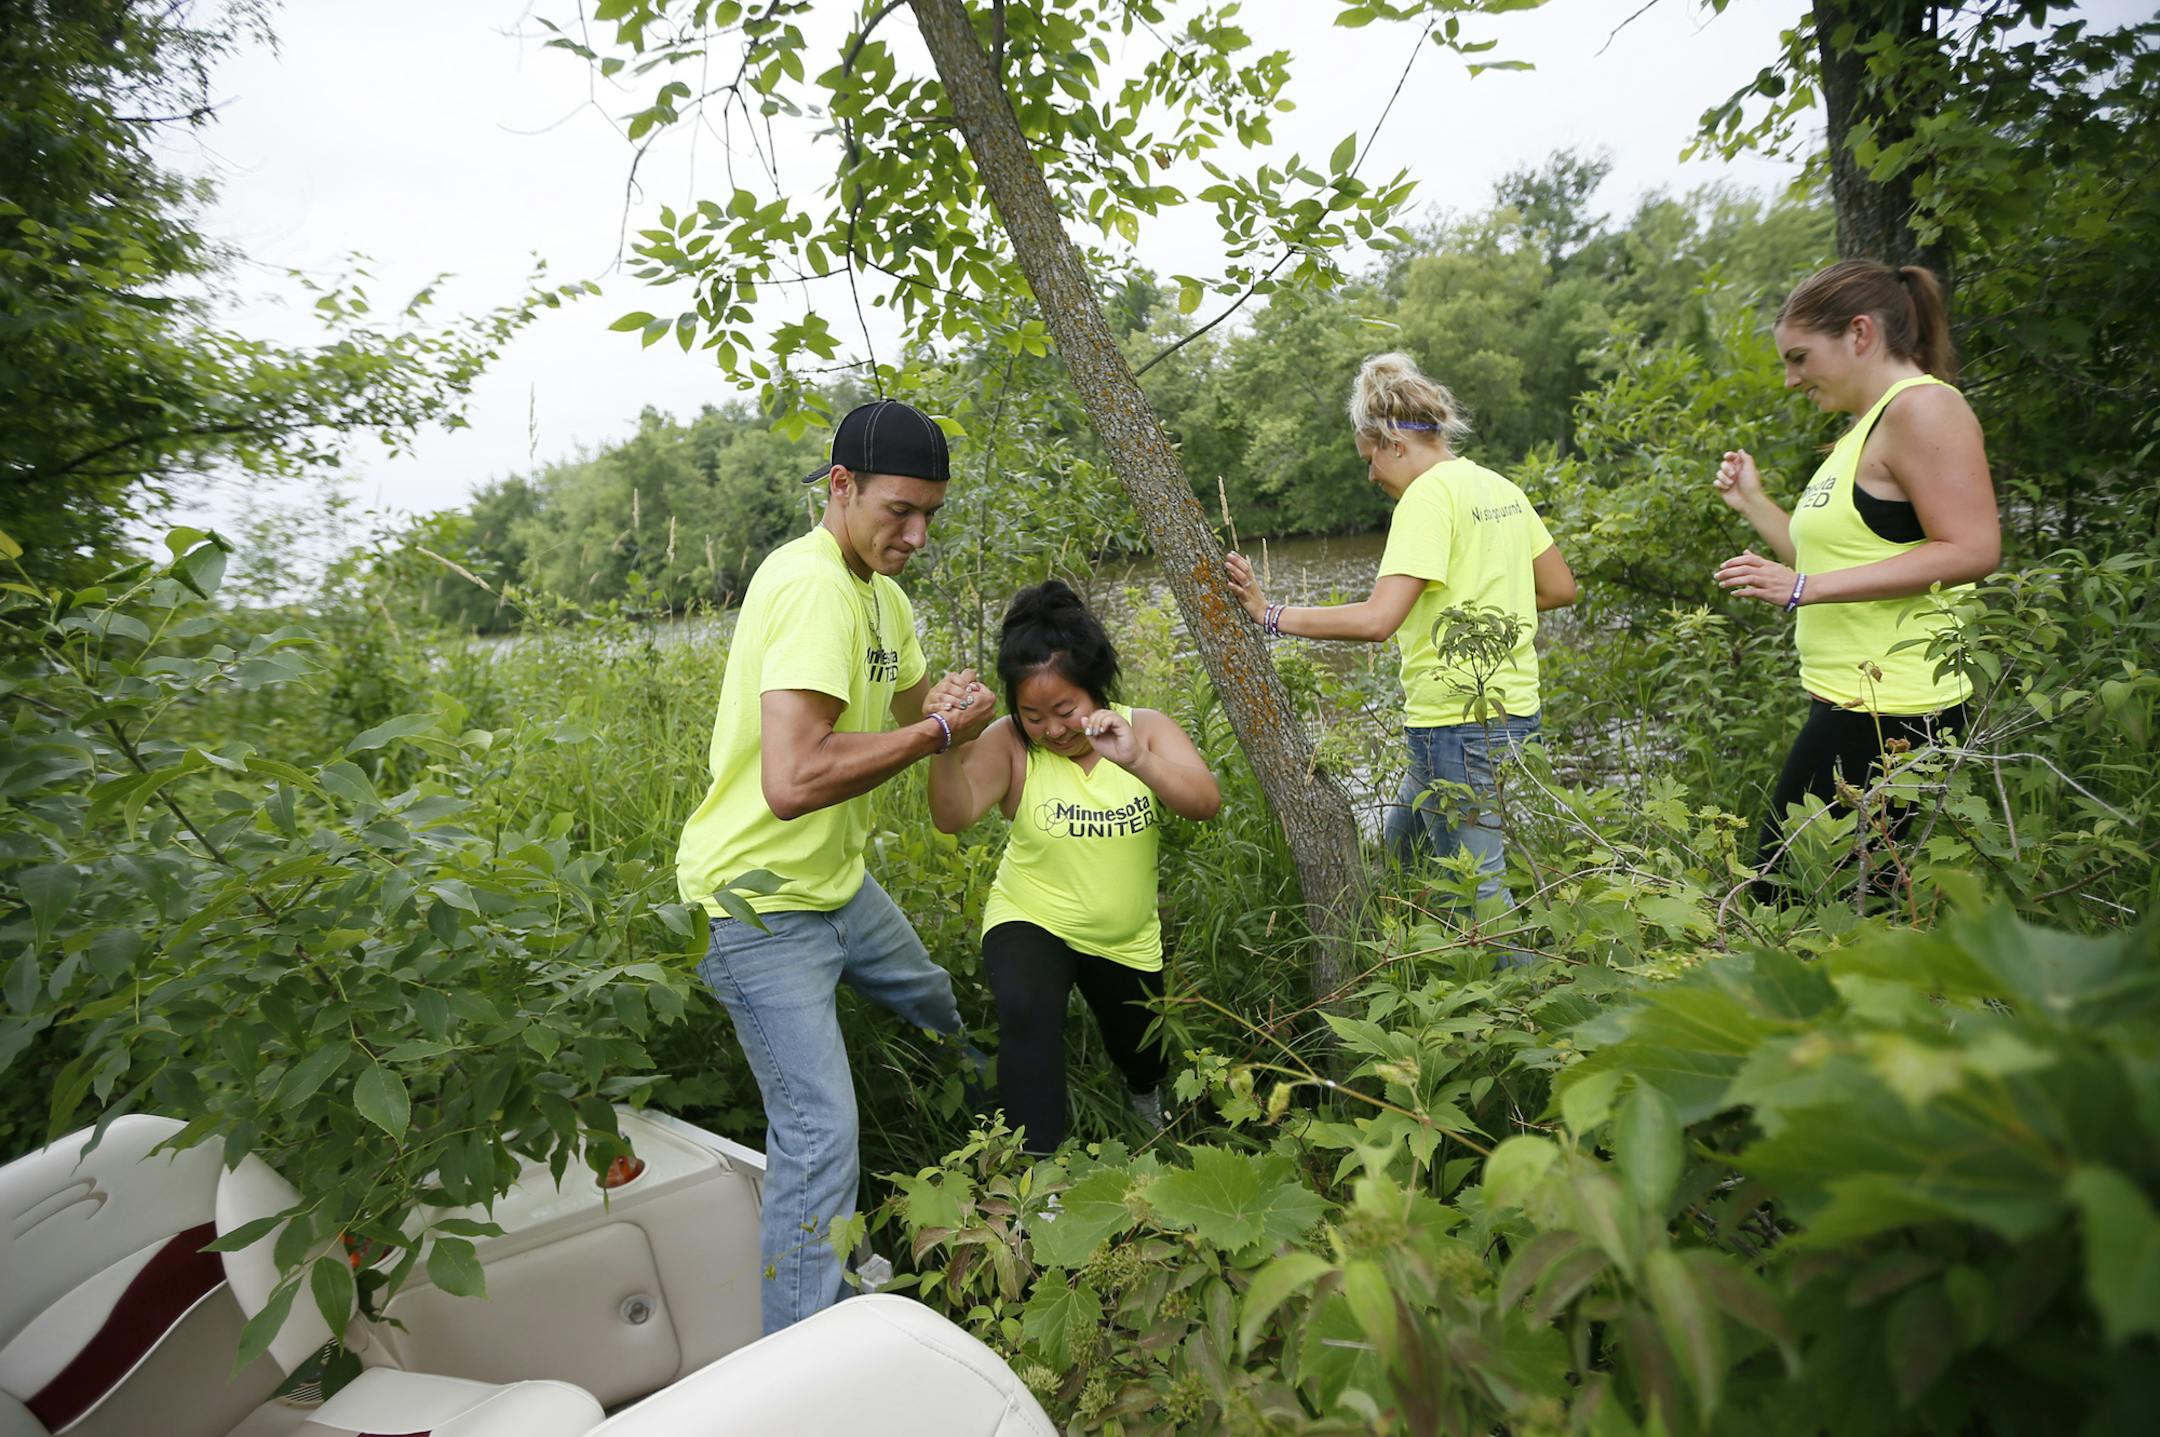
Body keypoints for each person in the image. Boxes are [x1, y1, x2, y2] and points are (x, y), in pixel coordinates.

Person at [676, 397, 999, 1335]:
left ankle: (1002, 1163)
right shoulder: (812, 584)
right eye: (900, 510)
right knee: (820, 1139)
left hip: (836, 888)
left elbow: (906, 720)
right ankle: (800, 1361)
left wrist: (944, 709)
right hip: (754, 906)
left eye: (932, 513)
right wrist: (939, 730)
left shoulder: (881, 594)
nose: (918, 534)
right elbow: (795, 776)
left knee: (939, 1010)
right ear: (841, 485)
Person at [1224, 352, 1575, 943]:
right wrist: (1474, 604)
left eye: (1369, 460)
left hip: (1455, 726)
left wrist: (1270, 615)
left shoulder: (1426, 498)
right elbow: (1558, 588)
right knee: (1403, 847)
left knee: (1477, 890)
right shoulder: (1499, 487)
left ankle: (1531, 1014)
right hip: (1514, 714)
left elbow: (1378, 620)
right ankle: (1409, 957)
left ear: (1392, 441)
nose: (1370, 478)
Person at [1711, 261, 1998, 895]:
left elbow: (1973, 548)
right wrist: (1755, 504)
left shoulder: (1924, 409)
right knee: (1846, 909)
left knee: (1779, 900)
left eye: (1800, 357)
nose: (1791, 379)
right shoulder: (1863, 431)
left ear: (1860, 334)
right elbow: (1836, 562)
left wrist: (1802, 589)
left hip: (1893, 710)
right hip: (1851, 702)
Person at [925, 581, 1220, 1154]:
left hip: (1126, 938)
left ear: (1096, 688)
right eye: (1033, 714)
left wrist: (1137, 760)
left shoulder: (1147, 729)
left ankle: (1143, 1100)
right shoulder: (1010, 743)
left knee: (1140, 1053)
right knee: (1026, 1014)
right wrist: (944, 743)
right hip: (1032, 915)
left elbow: (1203, 802)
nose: (1053, 729)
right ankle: (1039, 1183)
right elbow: (953, 815)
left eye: (1065, 710)